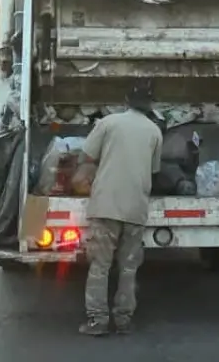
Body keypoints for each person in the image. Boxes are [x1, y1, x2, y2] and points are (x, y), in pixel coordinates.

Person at [78, 78, 163, 336]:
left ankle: (98, 321)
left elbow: (86, 156)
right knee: (128, 267)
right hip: (135, 208)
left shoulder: (108, 123)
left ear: (126, 101)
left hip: (106, 206)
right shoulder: (154, 131)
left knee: (100, 266)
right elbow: (154, 170)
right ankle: (123, 320)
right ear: (149, 105)